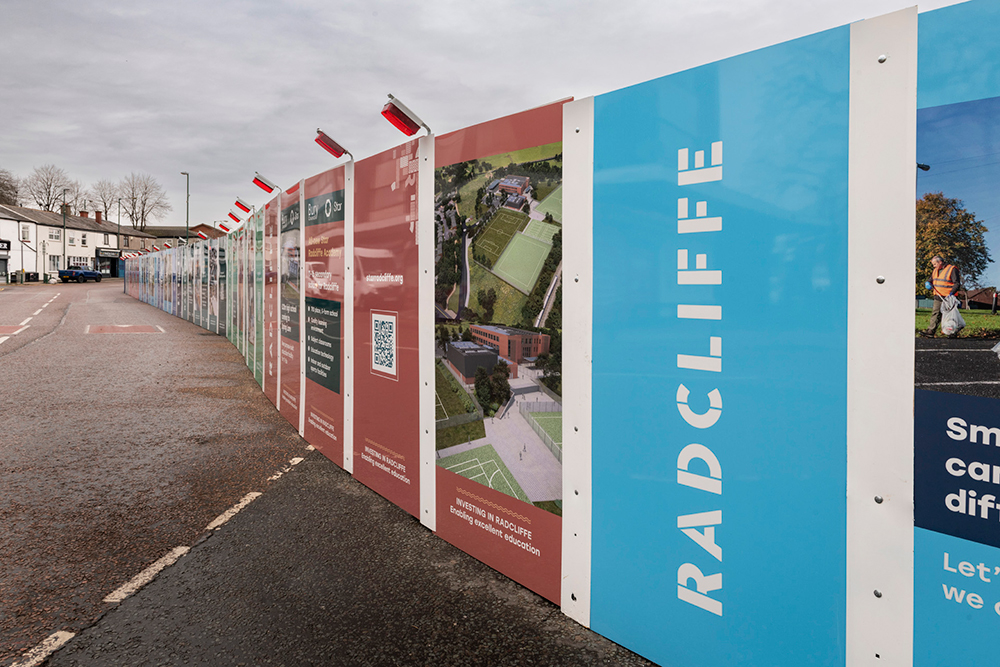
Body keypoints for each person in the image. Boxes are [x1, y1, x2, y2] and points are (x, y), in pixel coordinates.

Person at [920, 256, 961, 338]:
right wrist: (928, 283)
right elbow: (931, 279)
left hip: (949, 297)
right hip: (938, 296)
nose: (934, 266)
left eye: (935, 264)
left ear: (940, 262)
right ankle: (931, 331)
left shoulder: (952, 269)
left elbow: (957, 283)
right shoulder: (935, 271)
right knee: (935, 314)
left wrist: (952, 293)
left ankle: (952, 332)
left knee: (950, 316)